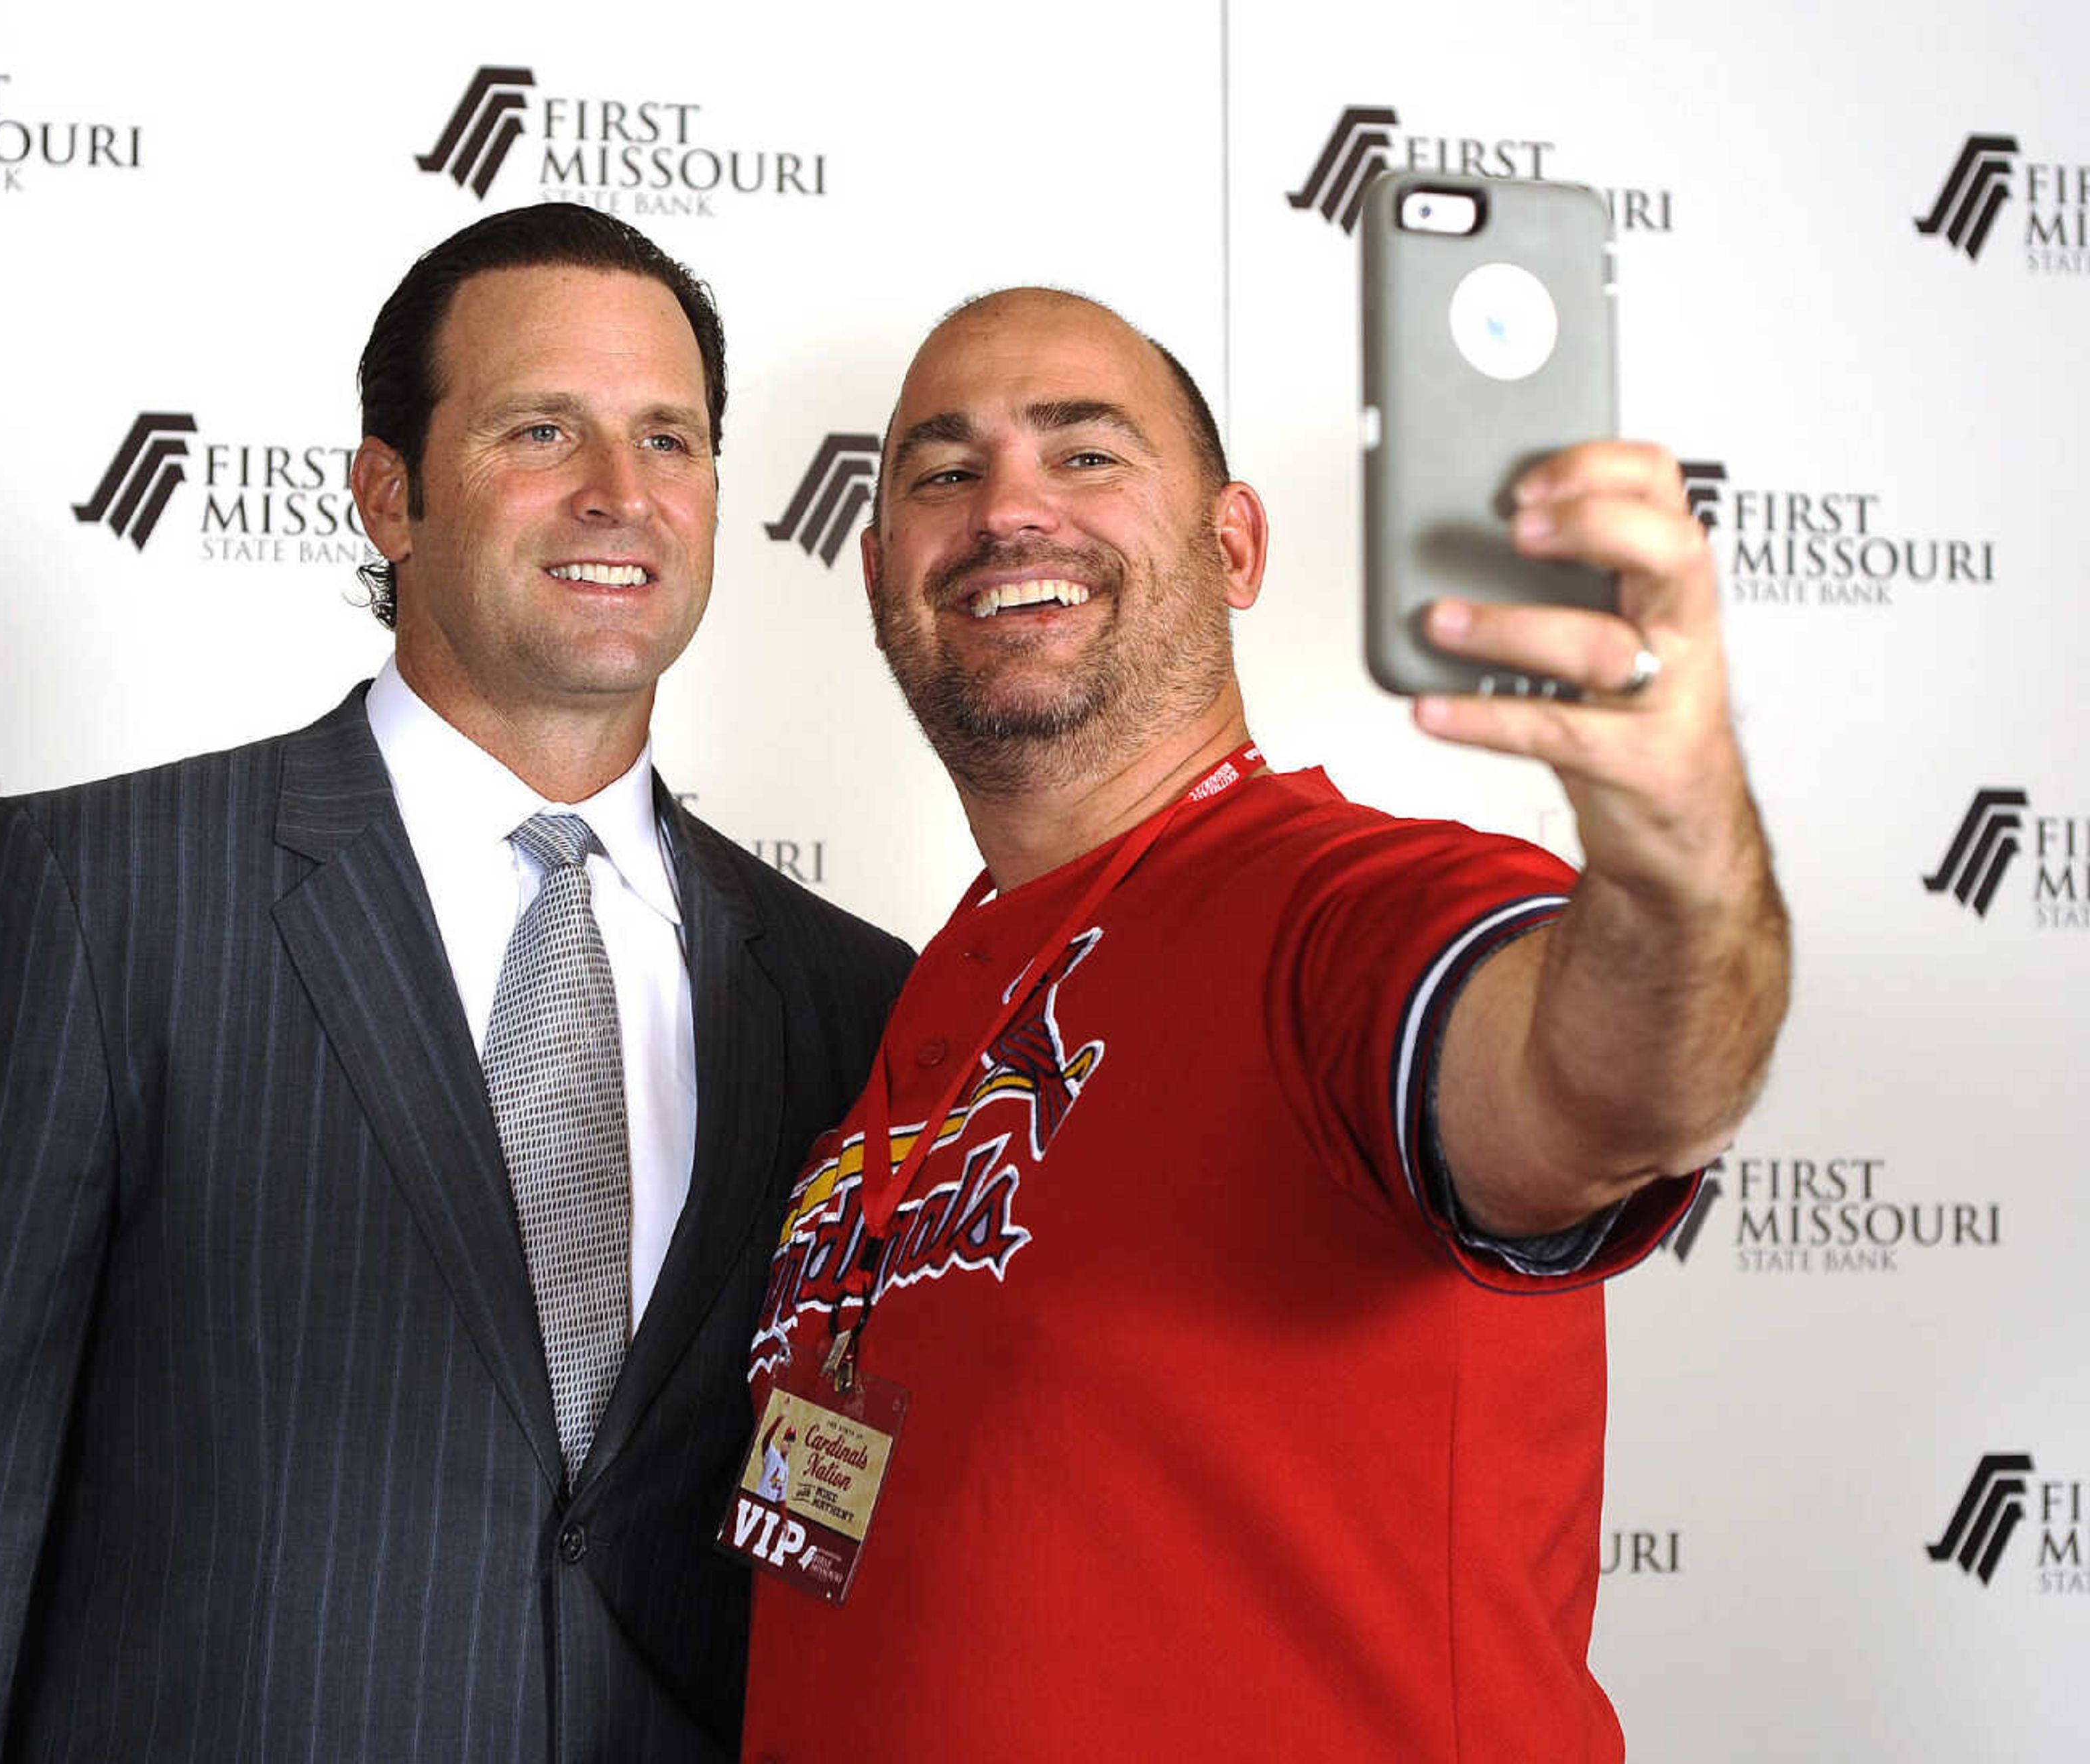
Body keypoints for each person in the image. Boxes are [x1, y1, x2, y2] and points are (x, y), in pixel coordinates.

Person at [0, 204, 911, 1763]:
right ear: (389, 494)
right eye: (541, 428)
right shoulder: (97, 902)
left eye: (670, 440)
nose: (623, 494)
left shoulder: (850, 996)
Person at [738, 289, 1788, 1761]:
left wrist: (1682, 864)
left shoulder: (1338, 906)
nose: (1006, 511)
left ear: (1232, 546)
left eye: (1085, 453)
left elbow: (1593, 1098)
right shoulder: (937, 988)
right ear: (876, 572)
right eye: (940, 472)